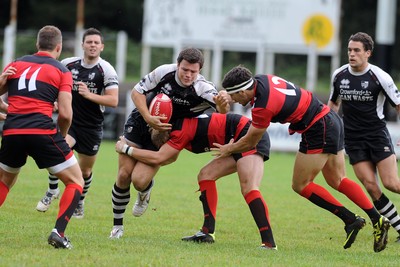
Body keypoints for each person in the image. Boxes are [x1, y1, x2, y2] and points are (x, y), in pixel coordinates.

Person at [212, 65, 391, 252]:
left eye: (235, 96)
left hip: (317, 128)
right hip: (330, 118)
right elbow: (242, 94)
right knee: (338, 180)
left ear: (242, 90)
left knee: (301, 185)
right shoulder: (261, 79)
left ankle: (350, 219)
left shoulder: (262, 106)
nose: (235, 101)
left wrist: (229, 148)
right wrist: (226, 94)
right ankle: (376, 219)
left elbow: (250, 141)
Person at [109, 47, 229, 239]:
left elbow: (222, 111)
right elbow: (136, 93)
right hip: (141, 121)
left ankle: (145, 191)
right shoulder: (163, 72)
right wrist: (148, 117)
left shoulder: (203, 88)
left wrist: (223, 102)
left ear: (199, 71)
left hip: (164, 133)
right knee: (124, 175)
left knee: (139, 180)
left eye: (193, 71)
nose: (188, 74)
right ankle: (117, 226)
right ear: (178, 65)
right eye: (184, 69)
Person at [114, 112, 277, 249]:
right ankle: (207, 232)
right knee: (205, 175)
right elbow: (166, 158)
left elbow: (159, 157)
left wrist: (126, 149)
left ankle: (269, 243)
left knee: (249, 187)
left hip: (248, 135)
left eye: (163, 144)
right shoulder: (176, 130)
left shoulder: (180, 131)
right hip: (233, 140)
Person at [0, 25, 84, 249]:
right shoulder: (61, 70)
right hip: (42, 131)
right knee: (76, 181)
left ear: (37, 44)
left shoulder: (16, 64)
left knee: (4, 182)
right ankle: (59, 232)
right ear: (59, 47)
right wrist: (62, 137)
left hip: (12, 131)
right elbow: (65, 114)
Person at [35, 27, 119, 218]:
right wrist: (55, 100)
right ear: (82, 45)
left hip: (92, 127)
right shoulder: (68, 64)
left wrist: (89, 95)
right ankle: (52, 190)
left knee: (85, 170)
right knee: (57, 154)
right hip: (71, 123)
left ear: (102, 47)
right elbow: (54, 85)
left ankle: (80, 201)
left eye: (96, 43)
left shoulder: (105, 69)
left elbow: (113, 101)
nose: (92, 45)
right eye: (89, 42)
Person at [328, 32, 400, 242]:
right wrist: (328, 127)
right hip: (353, 139)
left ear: (368, 53)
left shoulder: (380, 77)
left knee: (392, 184)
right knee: (370, 186)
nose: (352, 54)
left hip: (377, 136)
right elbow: (333, 104)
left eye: (357, 50)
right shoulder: (339, 75)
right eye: (350, 50)